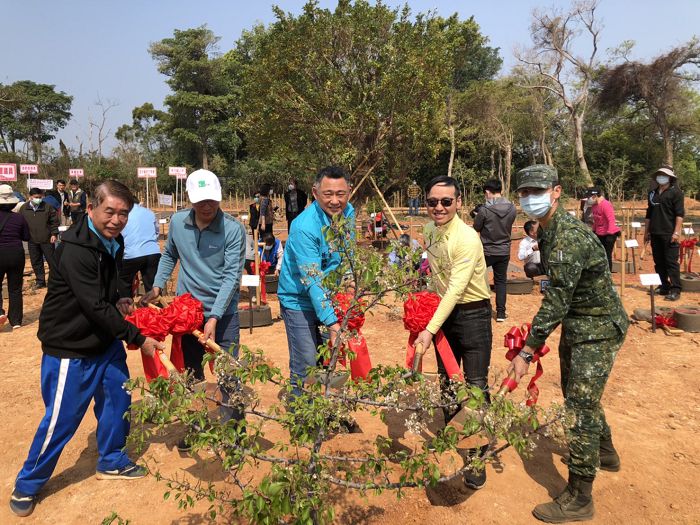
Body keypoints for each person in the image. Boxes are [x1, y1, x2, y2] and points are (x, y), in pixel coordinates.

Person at [10, 180, 164, 518]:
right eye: (110, 211)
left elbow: (105, 293)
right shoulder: (77, 248)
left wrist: (119, 298)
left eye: (124, 214)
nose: (117, 220)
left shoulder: (112, 241)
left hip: (103, 342)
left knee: (118, 400)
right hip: (71, 348)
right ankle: (28, 483)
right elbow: (93, 306)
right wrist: (138, 338)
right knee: (62, 420)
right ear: (91, 207)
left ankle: (111, 459)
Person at [509, 164, 628, 523]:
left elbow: (557, 300)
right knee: (579, 396)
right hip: (579, 325)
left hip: (597, 327)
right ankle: (605, 452)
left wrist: (526, 351)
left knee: (578, 409)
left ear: (556, 191)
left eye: (538, 190)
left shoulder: (567, 238)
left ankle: (580, 496)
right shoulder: (549, 230)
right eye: (525, 192)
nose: (531, 198)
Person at [141, 168, 246, 447]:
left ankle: (234, 431)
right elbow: (170, 255)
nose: (207, 206)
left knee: (227, 371)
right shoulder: (177, 223)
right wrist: (157, 286)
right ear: (190, 199)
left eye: (212, 200)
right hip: (187, 314)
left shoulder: (233, 230)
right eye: (201, 201)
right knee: (190, 373)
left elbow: (231, 278)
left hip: (222, 314)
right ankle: (195, 426)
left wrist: (214, 317)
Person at [412, 175, 492, 491]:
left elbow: (457, 288)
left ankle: (476, 456)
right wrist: (423, 308)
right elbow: (436, 280)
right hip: (445, 313)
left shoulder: (468, 238)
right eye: (433, 202)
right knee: (447, 380)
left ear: (458, 202)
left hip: (473, 313)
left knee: (473, 386)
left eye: (447, 201)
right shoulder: (429, 232)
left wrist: (429, 329)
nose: (439, 207)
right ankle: (451, 436)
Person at [278, 166, 355, 397]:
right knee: (306, 362)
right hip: (299, 300)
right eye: (328, 194)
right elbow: (312, 280)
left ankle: (330, 410)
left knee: (329, 358)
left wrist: (350, 285)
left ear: (349, 192)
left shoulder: (348, 213)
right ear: (315, 192)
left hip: (329, 295)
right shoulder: (304, 227)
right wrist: (332, 322)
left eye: (340, 194)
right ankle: (303, 417)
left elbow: (348, 253)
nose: (334, 201)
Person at [472, 178, 516, 322]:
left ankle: (482, 308)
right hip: (504, 250)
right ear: (501, 191)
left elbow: (477, 227)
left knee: (478, 278)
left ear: (487, 192)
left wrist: (477, 216)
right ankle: (501, 314)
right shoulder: (512, 208)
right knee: (501, 281)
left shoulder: (485, 210)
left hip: (487, 250)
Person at [644, 167, 684, 301]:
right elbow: (648, 214)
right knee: (659, 261)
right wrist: (646, 232)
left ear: (670, 178)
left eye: (664, 175)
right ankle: (663, 286)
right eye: (659, 175)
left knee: (671, 262)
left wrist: (677, 232)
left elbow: (679, 214)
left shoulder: (676, 193)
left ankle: (675, 289)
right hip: (655, 232)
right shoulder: (652, 193)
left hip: (669, 233)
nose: (661, 177)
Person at [0, 185, 30, 329]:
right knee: (15, 288)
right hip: (16, 254)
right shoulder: (19, 218)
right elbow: (26, 236)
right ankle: (16, 320)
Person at [118, 200, 161, 297]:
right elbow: (156, 232)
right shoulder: (149, 212)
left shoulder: (124, 214)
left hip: (131, 254)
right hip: (153, 253)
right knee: (153, 286)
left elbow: (119, 234)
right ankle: (156, 308)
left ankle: (127, 307)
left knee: (124, 282)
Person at [19, 188, 59, 289]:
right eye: (36, 197)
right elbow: (21, 223)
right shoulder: (24, 208)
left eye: (40, 197)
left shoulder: (47, 207)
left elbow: (54, 221)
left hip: (47, 239)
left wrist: (54, 234)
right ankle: (40, 281)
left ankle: (54, 281)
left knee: (52, 261)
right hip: (32, 240)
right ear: (30, 197)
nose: (38, 199)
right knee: (36, 261)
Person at [586, 188, 620, 270]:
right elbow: (596, 221)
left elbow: (611, 220)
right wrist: (593, 232)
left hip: (609, 234)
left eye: (589, 197)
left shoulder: (606, 204)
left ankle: (608, 274)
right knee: (599, 254)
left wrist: (610, 234)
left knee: (607, 255)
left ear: (594, 196)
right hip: (600, 233)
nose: (588, 199)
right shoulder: (594, 206)